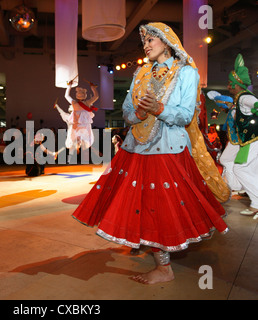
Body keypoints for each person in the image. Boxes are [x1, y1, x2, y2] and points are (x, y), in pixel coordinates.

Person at [72, 22, 228, 285]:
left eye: (151, 40)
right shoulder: (141, 72)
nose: (145, 45)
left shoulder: (187, 72)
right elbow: (126, 110)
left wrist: (159, 108)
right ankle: (154, 255)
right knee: (138, 206)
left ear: (166, 41)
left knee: (161, 209)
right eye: (143, 41)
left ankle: (164, 269)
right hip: (135, 148)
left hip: (168, 148)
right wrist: (140, 113)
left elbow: (186, 115)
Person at [220, 54, 258, 218]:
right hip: (250, 140)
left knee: (240, 168)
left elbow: (255, 103)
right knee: (243, 167)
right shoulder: (239, 99)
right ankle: (254, 202)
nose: (228, 85)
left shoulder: (244, 97)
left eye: (230, 83)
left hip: (254, 139)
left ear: (236, 84)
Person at [62, 79, 99, 160]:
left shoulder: (74, 103)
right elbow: (96, 96)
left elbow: (66, 96)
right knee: (84, 138)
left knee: (75, 138)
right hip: (84, 126)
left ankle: (76, 148)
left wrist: (69, 86)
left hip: (76, 125)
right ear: (84, 95)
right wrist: (93, 88)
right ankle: (79, 148)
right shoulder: (87, 103)